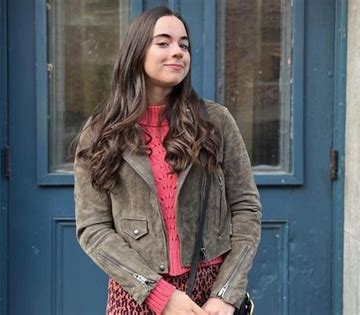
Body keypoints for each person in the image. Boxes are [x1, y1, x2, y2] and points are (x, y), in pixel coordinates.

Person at [74, 6, 261, 315]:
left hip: (210, 294)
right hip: (136, 293)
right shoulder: (100, 133)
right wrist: (158, 294)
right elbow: (93, 227)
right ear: (137, 52)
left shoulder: (214, 122)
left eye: (184, 45)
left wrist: (226, 293)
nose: (178, 52)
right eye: (163, 43)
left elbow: (246, 208)